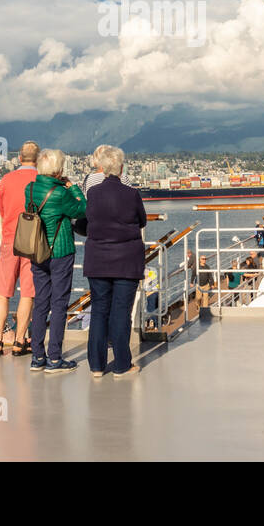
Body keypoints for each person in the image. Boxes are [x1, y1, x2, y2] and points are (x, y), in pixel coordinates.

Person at [82, 145, 147, 378]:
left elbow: (86, 220)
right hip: (126, 261)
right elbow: (142, 221)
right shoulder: (132, 194)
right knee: (121, 312)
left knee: (99, 311)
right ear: (120, 168)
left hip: (97, 260)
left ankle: (96, 366)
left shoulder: (93, 193)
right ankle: (121, 364)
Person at [27, 148, 87, 374]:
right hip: (59, 251)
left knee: (41, 301)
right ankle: (54, 358)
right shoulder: (61, 193)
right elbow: (83, 209)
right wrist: (74, 187)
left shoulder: (30, 188)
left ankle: (37, 357)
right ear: (58, 170)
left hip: (36, 251)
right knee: (59, 303)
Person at [0, 142, 39, 358]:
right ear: (38, 159)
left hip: (9, 241)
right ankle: (20, 341)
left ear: (19, 158)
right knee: (27, 294)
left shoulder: (7, 179)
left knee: (3, 293)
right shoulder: (42, 179)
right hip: (33, 241)